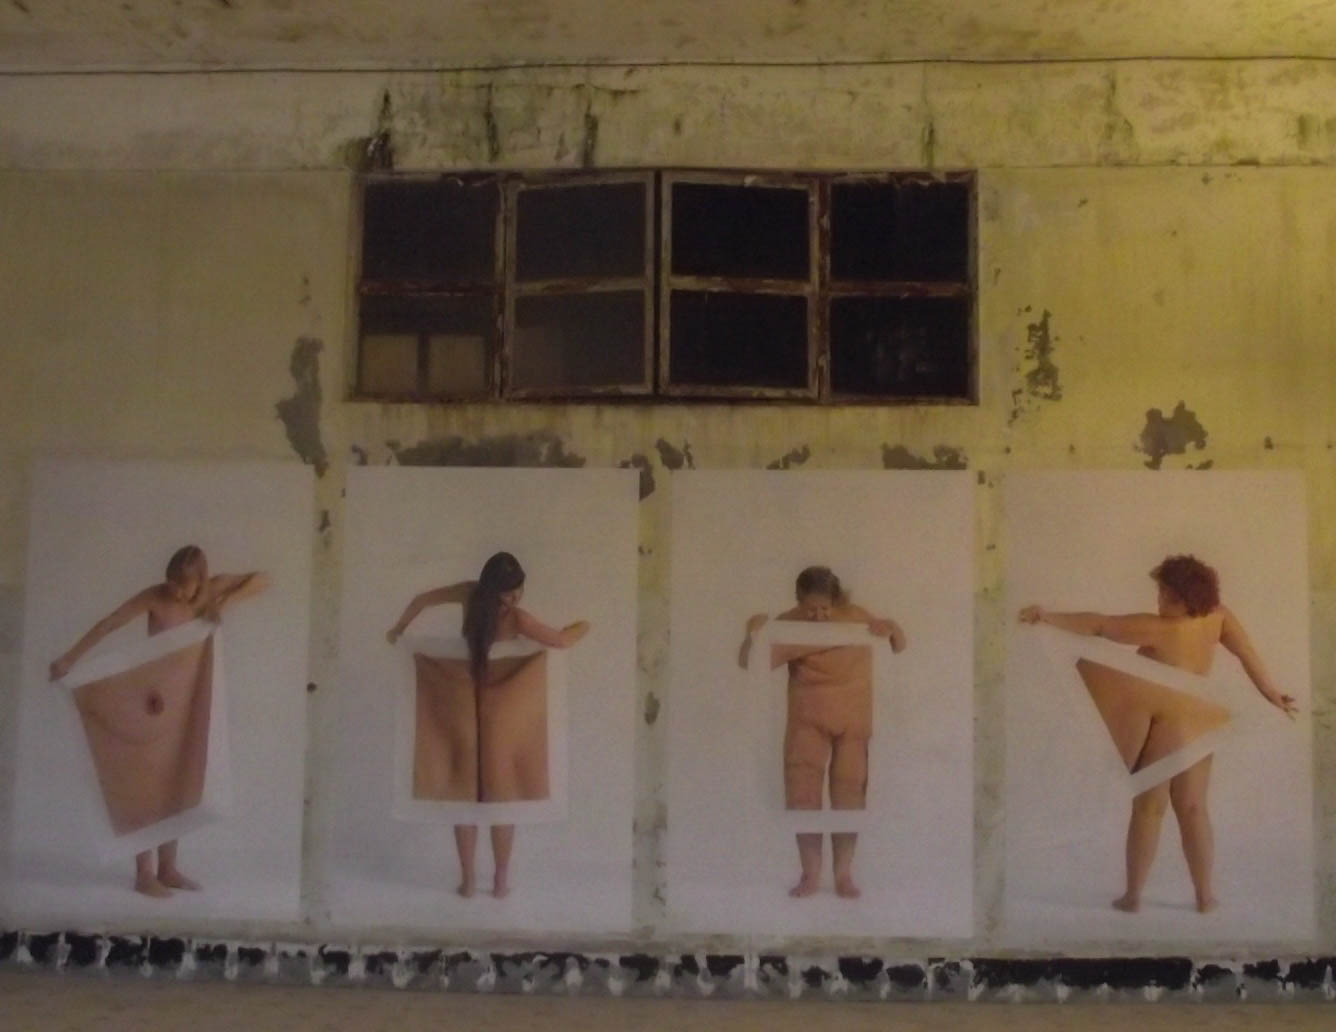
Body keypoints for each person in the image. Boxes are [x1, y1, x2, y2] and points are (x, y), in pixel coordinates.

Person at [1019, 554, 1297, 914]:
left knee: (1149, 809)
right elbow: (1246, 653)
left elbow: (1100, 625)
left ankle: (1133, 897)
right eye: (1161, 592)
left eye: (1167, 595)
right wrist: (1271, 692)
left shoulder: (1157, 628)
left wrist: (1048, 617)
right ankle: (1205, 898)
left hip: (1165, 722)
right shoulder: (1218, 616)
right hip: (1199, 719)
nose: (1160, 600)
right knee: (1194, 809)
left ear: (1187, 598)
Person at [49, 545, 268, 898]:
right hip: (151, 698)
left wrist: (224, 603)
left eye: (182, 585)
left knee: (177, 782)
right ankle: (143, 873)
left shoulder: (211, 591)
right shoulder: (155, 597)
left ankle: (168, 868)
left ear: (199, 581)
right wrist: (69, 659)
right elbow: (110, 623)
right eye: (171, 584)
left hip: (188, 700)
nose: (175, 592)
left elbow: (261, 580)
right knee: (145, 784)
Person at [386, 551, 589, 898]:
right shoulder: (518, 618)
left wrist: (399, 629)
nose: (515, 598)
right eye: (510, 592)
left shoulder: (470, 593)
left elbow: (422, 600)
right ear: (497, 590)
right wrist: (583, 625)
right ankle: (498, 881)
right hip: (501, 705)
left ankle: (471, 882)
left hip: (460, 695)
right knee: (500, 795)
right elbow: (561, 640)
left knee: (464, 792)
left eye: (518, 591)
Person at [737, 566, 907, 899]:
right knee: (803, 795)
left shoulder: (856, 617)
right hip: (807, 721)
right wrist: (752, 634)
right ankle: (810, 874)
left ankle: (843, 874)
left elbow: (898, 644)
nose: (818, 616)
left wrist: (891, 627)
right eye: (810, 609)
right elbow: (751, 663)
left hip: (853, 722)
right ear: (799, 601)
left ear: (836, 600)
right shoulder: (789, 625)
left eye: (824, 608)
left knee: (849, 794)